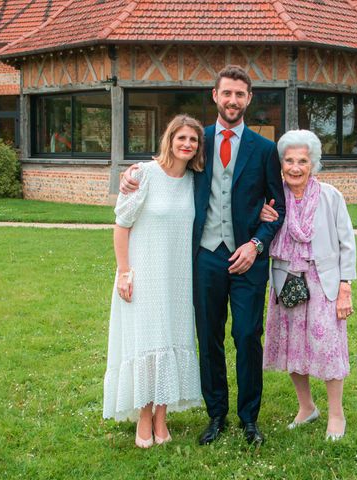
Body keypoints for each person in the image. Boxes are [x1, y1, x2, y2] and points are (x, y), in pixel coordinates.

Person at [120, 65, 286, 445]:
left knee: (247, 335)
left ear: (249, 99)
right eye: (226, 93)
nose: (232, 100)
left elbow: (279, 209)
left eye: (240, 94)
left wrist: (256, 244)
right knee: (208, 337)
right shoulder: (199, 141)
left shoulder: (264, 150)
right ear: (215, 96)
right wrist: (133, 175)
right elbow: (166, 168)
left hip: (248, 258)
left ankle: (249, 418)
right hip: (205, 257)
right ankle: (216, 415)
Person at [103, 115, 205, 448]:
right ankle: (143, 419)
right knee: (147, 345)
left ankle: (162, 418)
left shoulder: (194, 181)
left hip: (178, 278)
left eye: (193, 139)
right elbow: (122, 224)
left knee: (171, 341)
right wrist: (124, 271)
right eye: (182, 138)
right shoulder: (143, 175)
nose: (187, 144)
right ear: (170, 139)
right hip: (144, 274)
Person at [259, 129, 356, 441]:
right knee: (291, 348)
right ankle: (306, 408)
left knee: (328, 349)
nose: (295, 167)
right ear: (281, 164)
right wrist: (261, 217)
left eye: (303, 160)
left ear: (313, 164)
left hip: (322, 281)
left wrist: (345, 288)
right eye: (289, 160)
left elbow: (347, 245)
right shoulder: (273, 199)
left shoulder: (330, 197)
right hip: (286, 280)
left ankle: (336, 415)